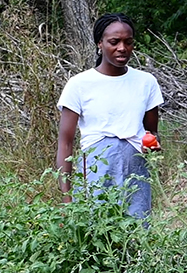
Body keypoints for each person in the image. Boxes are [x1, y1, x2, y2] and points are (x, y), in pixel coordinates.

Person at [56, 13, 164, 218]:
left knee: (137, 233)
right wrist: (67, 198)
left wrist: (152, 146)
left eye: (128, 42)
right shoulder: (79, 84)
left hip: (135, 168)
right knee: (95, 233)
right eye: (114, 42)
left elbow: (152, 133)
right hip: (96, 169)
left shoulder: (146, 82)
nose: (122, 48)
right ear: (100, 43)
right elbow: (65, 145)